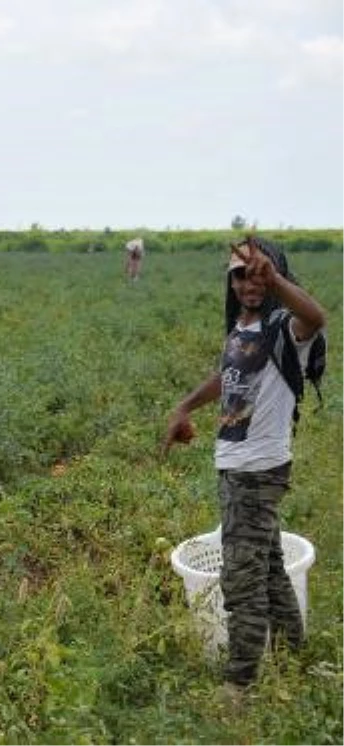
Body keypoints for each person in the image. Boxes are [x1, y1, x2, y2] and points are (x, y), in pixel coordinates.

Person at [163, 236, 326, 698]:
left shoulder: (283, 327)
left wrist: (277, 280)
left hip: (257, 471)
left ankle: (240, 685)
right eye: (240, 274)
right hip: (238, 466)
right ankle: (295, 658)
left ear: (273, 275)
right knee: (269, 568)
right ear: (230, 281)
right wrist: (185, 407)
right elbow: (227, 375)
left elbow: (316, 317)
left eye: (259, 273)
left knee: (242, 581)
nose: (250, 283)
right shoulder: (242, 326)